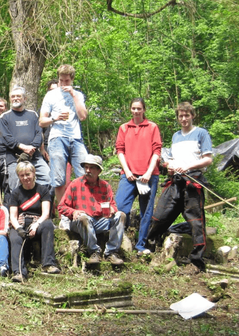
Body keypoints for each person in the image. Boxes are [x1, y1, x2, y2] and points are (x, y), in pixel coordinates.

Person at [144, 102, 213, 271]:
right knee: (160, 215)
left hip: (193, 182)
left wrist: (188, 167)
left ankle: (196, 261)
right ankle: (150, 248)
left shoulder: (201, 133)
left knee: (196, 221)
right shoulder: (175, 136)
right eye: (181, 116)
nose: (183, 119)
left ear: (192, 116)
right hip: (175, 181)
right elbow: (173, 159)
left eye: (186, 115)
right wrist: (170, 166)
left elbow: (208, 159)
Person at [58, 154, 126, 267]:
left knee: (121, 215)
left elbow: (113, 206)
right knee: (83, 218)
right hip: (80, 222)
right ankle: (94, 252)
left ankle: (111, 252)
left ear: (99, 170)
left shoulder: (105, 186)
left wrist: (112, 209)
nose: (88, 170)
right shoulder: (75, 184)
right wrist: (73, 212)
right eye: (86, 167)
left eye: (92, 168)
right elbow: (61, 206)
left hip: (100, 221)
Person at [114, 98, 162, 255]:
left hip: (148, 176)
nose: (136, 111)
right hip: (128, 175)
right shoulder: (124, 128)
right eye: (133, 108)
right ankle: (118, 241)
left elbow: (157, 151)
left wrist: (148, 172)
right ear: (130, 109)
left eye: (139, 108)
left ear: (144, 110)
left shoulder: (152, 127)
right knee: (119, 207)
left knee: (146, 211)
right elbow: (120, 150)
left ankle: (141, 245)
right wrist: (127, 170)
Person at [39, 64, 89, 211]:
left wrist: (73, 95)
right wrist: (55, 118)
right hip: (57, 138)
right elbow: (41, 121)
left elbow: (83, 116)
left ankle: (83, 209)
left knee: (84, 174)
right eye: (61, 80)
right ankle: (64, 213)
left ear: (72, 79)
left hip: (76, 138)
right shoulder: (51, 95)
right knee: (58, 178)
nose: (63, 84)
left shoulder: (78, 95)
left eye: (66, 81)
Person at [7, 162, 60, 282]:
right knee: (15, 237)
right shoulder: (15, 193)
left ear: (33, 173)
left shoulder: (43, 190)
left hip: (38, 222)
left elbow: (46, 213)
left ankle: (48, 264)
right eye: (22, 175)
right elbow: (13, 216)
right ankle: (19, 272)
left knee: (48, 225)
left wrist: (36, 225)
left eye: (27, 174)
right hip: (21, 223)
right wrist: (19, 229)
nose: (25, 178)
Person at [0, 87, 51, 191]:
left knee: (48, 178)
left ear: (25, 98)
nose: (15, 98)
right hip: (14, 158)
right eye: (13, 96)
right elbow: (6, 138)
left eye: (18, 96)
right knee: (15, 186)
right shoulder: (4, 117)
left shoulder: (33, 115)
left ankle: (41, 200)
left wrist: (31, 148)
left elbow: (39, 134)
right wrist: (23, 147)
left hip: (34, 156)